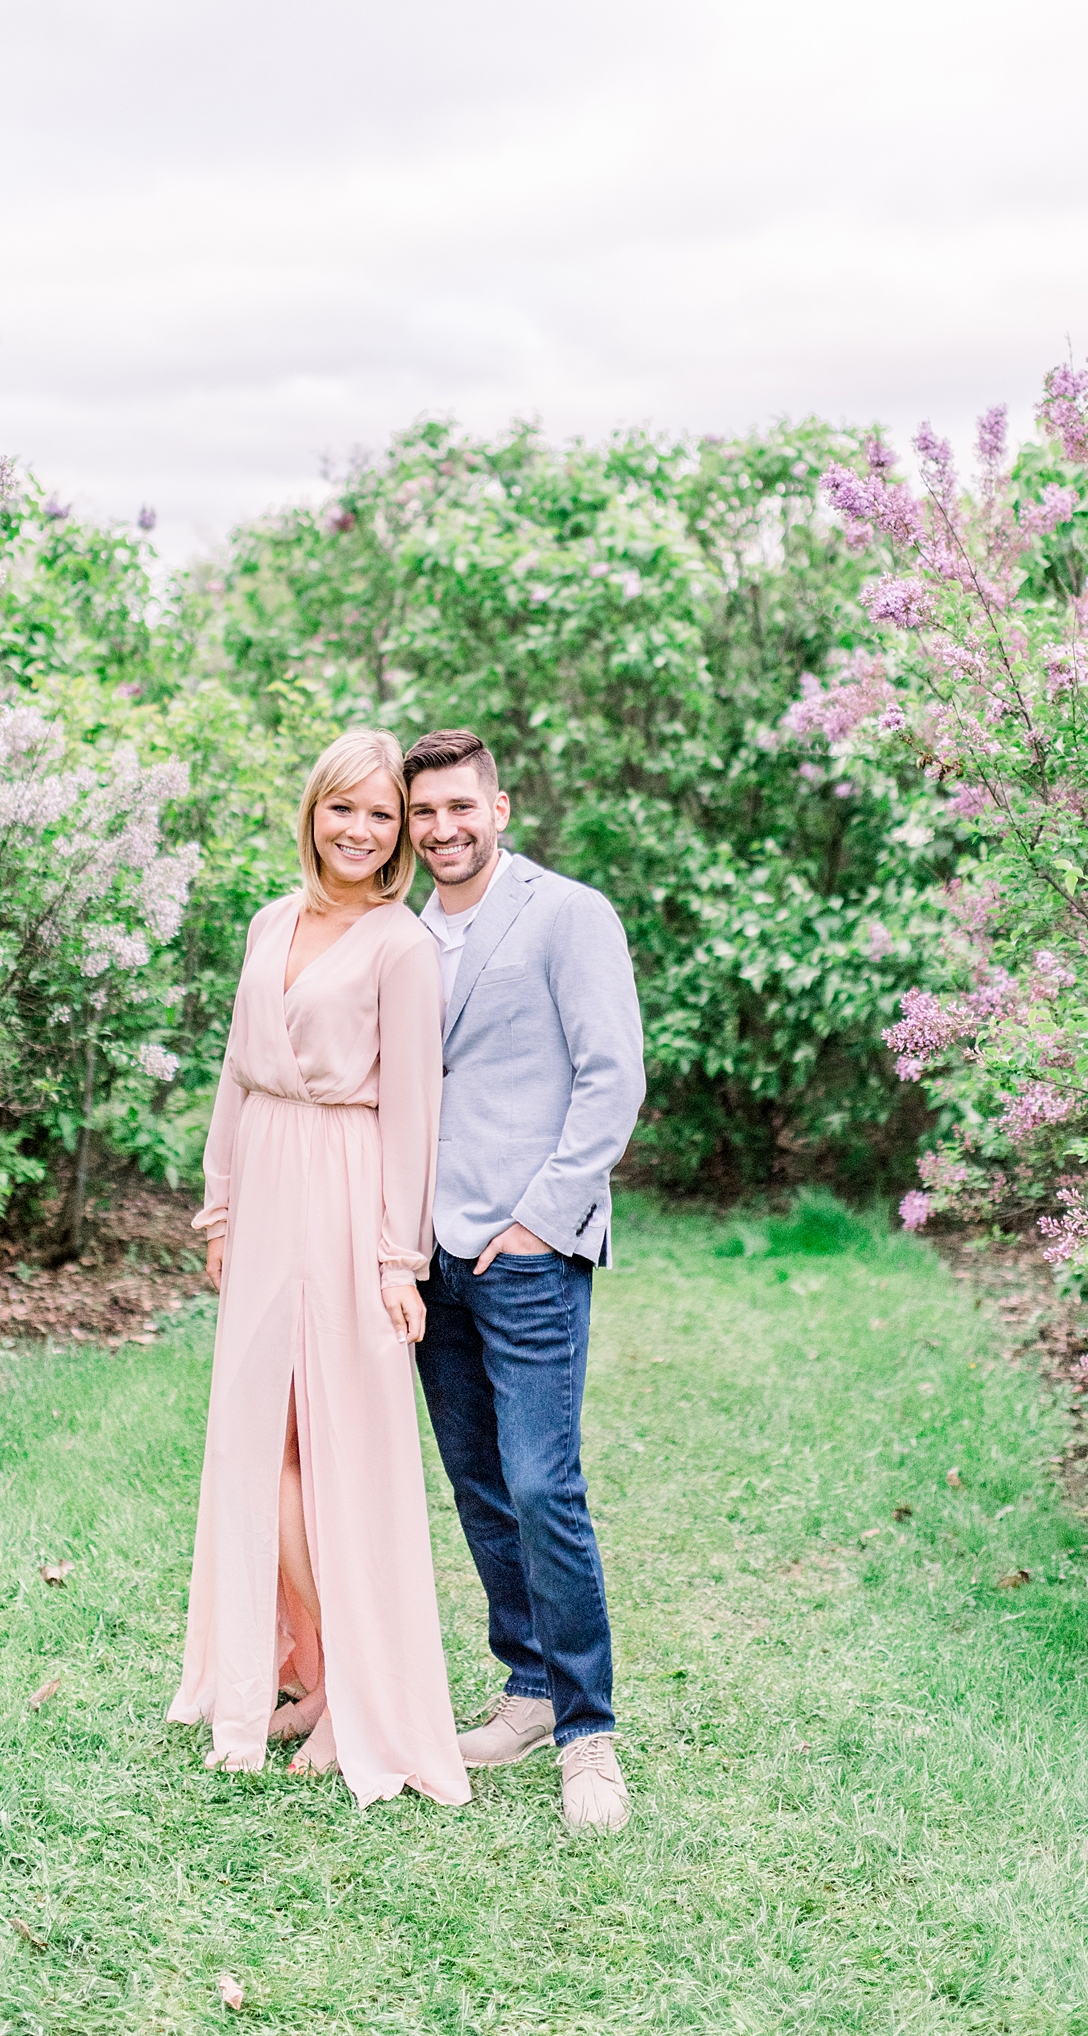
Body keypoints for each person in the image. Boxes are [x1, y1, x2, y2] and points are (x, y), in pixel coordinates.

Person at [167, 729, 469, 1811]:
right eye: (346, 809)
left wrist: (401, 1257)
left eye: (383, 816)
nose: (362, 831)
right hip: (266, 1185)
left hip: (347, 1192)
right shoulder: (269, 920)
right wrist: (220, 1203)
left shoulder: (403, 946)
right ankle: (304, 1668)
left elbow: (413, 1116)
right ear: (314, 812)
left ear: (399, 834)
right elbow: (238, 1073)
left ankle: (359, 1696)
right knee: (262, 1444)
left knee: (342, 1444)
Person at [405, 728, 645, 1832]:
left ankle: (589, 1733)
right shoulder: (406, 934)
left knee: (546, 1484)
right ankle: (529, 1690)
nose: (443, 829)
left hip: (528, 1249)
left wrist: (540, 1222)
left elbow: (613, 1078)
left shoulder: (566, 914)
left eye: (462, 807)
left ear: (498, 808)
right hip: (431, 1256)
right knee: (478, 1483)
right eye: (424, 814)